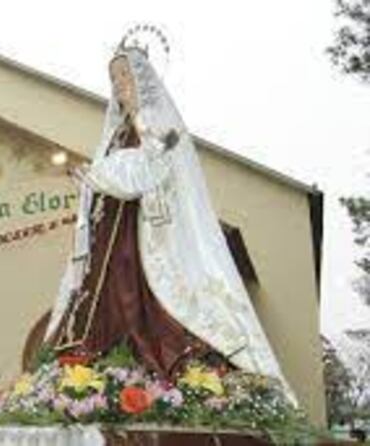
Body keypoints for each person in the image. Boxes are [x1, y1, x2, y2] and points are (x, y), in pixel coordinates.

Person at [45, 43, 293, 398]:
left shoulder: (159, 125)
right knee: (109, 300)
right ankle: (103, 374)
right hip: (111, 234)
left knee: (145, 298)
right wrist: (87, 177)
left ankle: (172, 378)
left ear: (142, 79)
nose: (119, 84)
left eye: (125, 75)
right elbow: (110, 176)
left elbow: (147, 172)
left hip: (146, 234)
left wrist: (98, 173)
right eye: (113, 78)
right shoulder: (115, 134)